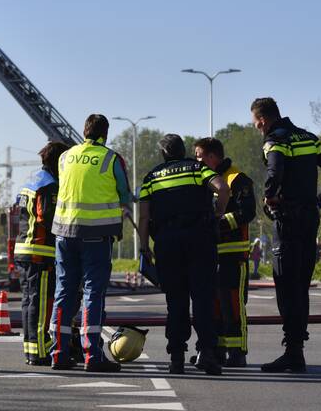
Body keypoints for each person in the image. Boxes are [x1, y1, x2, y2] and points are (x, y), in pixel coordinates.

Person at [251, 97, 321, 373]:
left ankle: (292, 352)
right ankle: (296, 350)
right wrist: (319, 199)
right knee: (301, 286)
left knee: (285, 284)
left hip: (288, 221)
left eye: (256, 123)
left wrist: (269, 197)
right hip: (309, 219)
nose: (257, 128)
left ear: (263, 120)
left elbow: (275, 169)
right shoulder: (309, 138)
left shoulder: (275, 141)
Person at [137, 134, 230, 375]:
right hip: (200, 239)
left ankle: (176, 357)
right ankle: (208, 353)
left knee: (176, 301)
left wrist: (144, 246)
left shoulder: (152, 177)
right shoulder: (196, 168)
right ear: (183, 150)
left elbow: (144, 217)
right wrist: (218, 213)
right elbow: (222, 188)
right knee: (203, 298)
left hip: (167, 242)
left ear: (163, 154)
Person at [49, 114, 133, 373]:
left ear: (84, 131)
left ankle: (60, 353)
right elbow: (125, 194)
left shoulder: (65, 157)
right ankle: (91, 355)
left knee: (63, 292)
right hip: (96, 235)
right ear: (105, 134)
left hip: (63, 233)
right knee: (92, 293)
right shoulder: (111, 158)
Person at [194, 136, 256, 368]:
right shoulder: (206, 179)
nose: (197, 161)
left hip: (233, 254)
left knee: (233, 304)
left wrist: (218, 223)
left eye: (200, 156)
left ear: (212, 156)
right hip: (211, 254)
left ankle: (237, 352)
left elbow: (247, 212)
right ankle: (217, 350)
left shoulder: (237, 179)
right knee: (215, 305)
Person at [14, 141, 69, 366]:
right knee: (41, 303)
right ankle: (41, 351)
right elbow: (46, 217)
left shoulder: (31, 180)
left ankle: (30, 349)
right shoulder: (49, 185)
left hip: (24, 249)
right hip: (40, 251)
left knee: (28, 302)